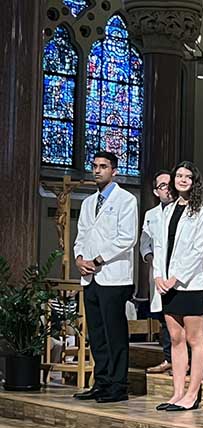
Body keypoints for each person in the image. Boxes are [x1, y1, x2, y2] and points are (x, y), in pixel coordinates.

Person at [73, 151, 139, 403]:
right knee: (97, 334)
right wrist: (79, 258)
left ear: (114, 171)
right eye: (95, 166)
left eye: (103, 166)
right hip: (90, 277)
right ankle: (100, 382)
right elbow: (82, 235)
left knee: (114, 333)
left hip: (112, 276)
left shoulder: (126, 200)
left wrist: (98, 259)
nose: (97, 170)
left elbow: (126, 238)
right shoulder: (90, 202)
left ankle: (118, 384)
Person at [151, 161, 203, 412]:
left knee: (194, 339)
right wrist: (158, 276)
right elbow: (158, 246)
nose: (183, 180)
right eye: (179, 176)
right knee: (176, 338)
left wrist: (176, 278)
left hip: (189, 284)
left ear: (195, 181)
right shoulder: (167, 210)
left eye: (188, 176)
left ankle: (192, 393)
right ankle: (177, 392)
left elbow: (199, 250)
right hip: (166, 283)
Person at [140, 170, 175, 375]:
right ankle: (168, 358)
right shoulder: (151, 215)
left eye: (169, 184)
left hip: (176, 274)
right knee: (163, 319)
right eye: (162, 186)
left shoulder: (184, 210)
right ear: (155, 191)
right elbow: (145, 243)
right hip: (158, 272)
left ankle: (181, 361)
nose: (167, 189)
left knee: (178, 318)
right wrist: (151, 259)